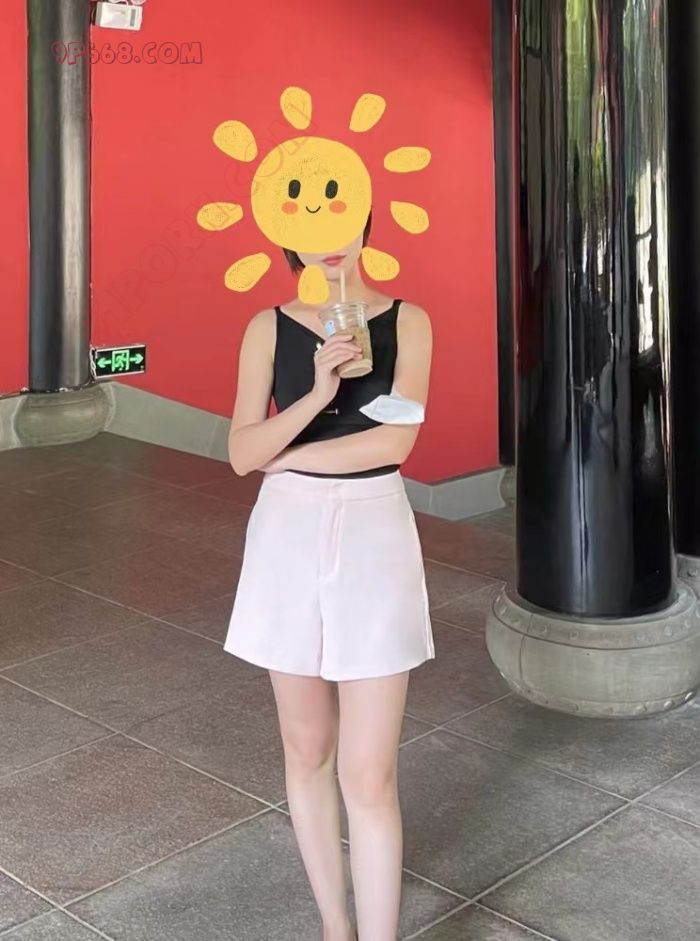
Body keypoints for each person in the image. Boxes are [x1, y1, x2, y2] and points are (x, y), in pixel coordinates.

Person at [223, 210, 435, 941]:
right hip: (287, 535)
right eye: (307, 221)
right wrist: (316, 394)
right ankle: (335, 927)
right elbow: (241, 451)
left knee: (369, 772)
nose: (328, 238)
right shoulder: (267, 328)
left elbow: (396, 442)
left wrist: (287, 456)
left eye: (340, 214)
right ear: (286, 234)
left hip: (375, 529)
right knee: (307, 747)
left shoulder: (409, 321)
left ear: (366, 222)